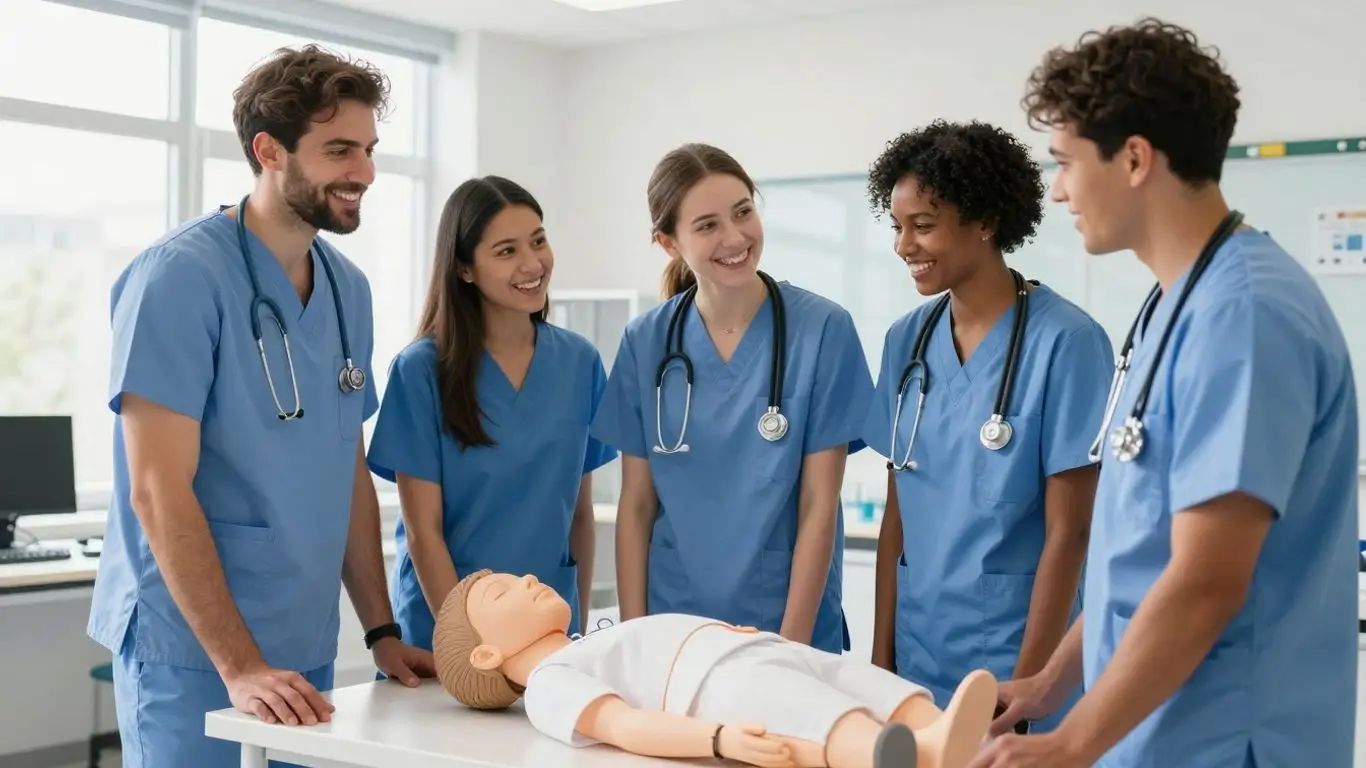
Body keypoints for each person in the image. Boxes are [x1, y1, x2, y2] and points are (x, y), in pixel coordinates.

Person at [970, 18, 1359, 768]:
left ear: (1136, 159)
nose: (1056, 190)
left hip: (1229, 742)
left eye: (1066, 162)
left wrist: (1071, 744)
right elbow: (1136, 552)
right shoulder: (1172, 307)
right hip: (1157, 737)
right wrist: (1052, 685)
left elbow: (1206, 580)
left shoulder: (1243, 316)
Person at [88, 45, 435, 768]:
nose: (364, 173)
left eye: (369, 150)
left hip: (299, 643)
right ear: (268, 149)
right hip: (192, 650)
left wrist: (379, 631)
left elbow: (347, 470)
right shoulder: (179, 277)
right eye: (339, 149)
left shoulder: (348, 290)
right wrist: (239, 666)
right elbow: (156, 489)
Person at [860, 120, 1113, 732]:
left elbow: (1071, 534)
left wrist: (1027, 691)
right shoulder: (907, 341)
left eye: (923, 225)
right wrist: (879, 661)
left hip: (1017, 662)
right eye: (897, 226)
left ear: (985, 221)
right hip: (917, 659)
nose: (903, 245)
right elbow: (899, 511)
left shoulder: (1069, 343)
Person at [589, 143, 874, 655]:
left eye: (743, 212)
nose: (736, 237)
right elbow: (636, 506)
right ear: (668, 242)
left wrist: (794, 648)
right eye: (707, 225)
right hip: (673, 626)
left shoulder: (823, 330)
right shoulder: (646, 341)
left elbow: (818, 503)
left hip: (784, 624)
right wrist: (634, 641)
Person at [366, 175, 617, 650]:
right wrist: (466, 644)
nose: (532, 263)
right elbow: (424, 533)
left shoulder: (580, 363)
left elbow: (579, 516)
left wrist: (577, 632)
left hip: (549, 633)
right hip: (448, 636)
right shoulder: (422, 371)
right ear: (464, 269)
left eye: (538, 241)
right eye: (506, 251)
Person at [431, 569, 1001, 768]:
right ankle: (911, 754)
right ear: (487, 655)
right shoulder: (549, 685)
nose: (528, 579)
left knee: (852, 679)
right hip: (717, 683)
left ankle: (938, 728)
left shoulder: (585, 643)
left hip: (747, 650)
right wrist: (719, 737)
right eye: (503, 593)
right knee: (819, 713)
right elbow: (624, 727)